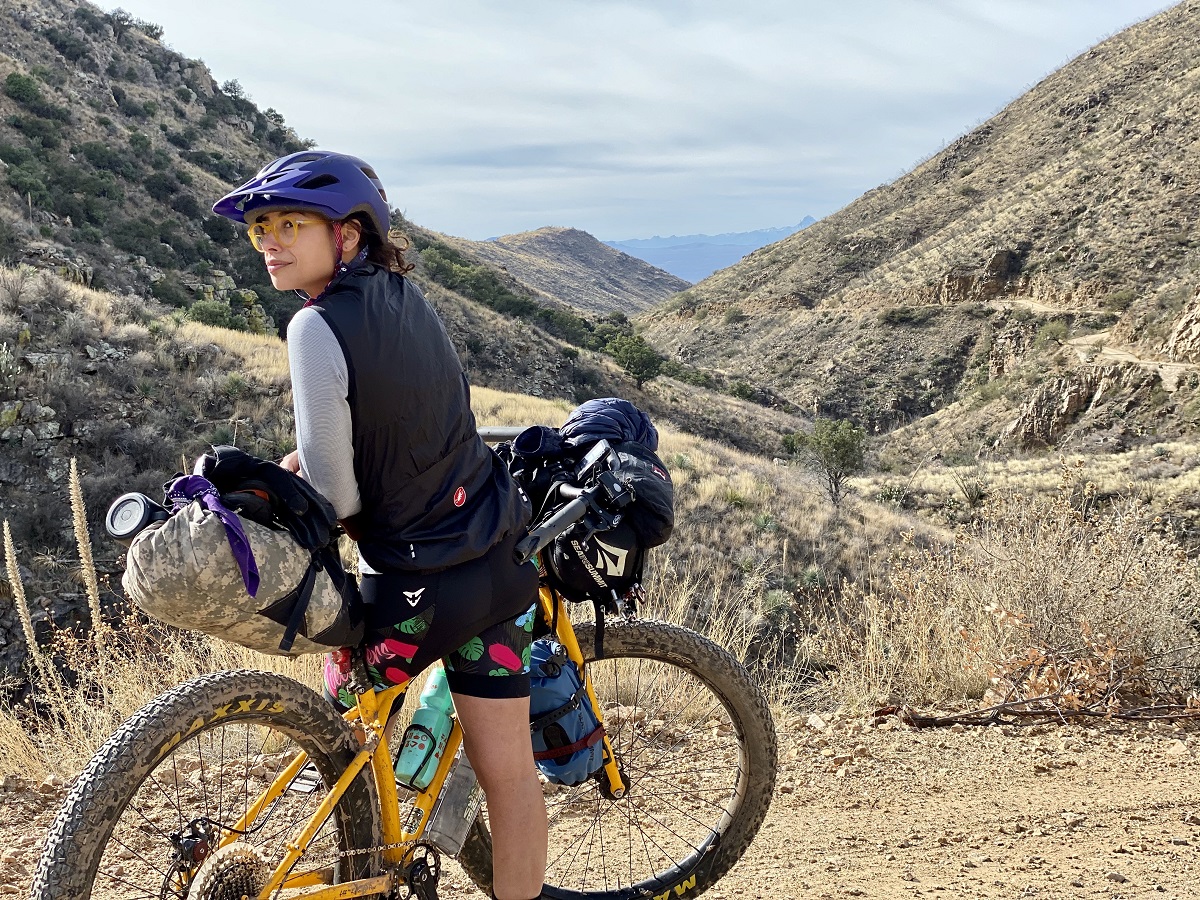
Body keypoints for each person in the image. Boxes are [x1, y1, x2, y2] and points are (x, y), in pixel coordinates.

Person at [213, 151, 547, 900]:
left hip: (412, 591)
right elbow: (422, 417)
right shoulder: (408, 295)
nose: (270, 240)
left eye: (290, 224)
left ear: (350, 235)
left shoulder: (314, 325)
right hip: (495, 568)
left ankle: (358, 867)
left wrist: (292, 487)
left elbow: (334, 496)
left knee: (343, 741)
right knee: (509, 776)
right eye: (261, 228)